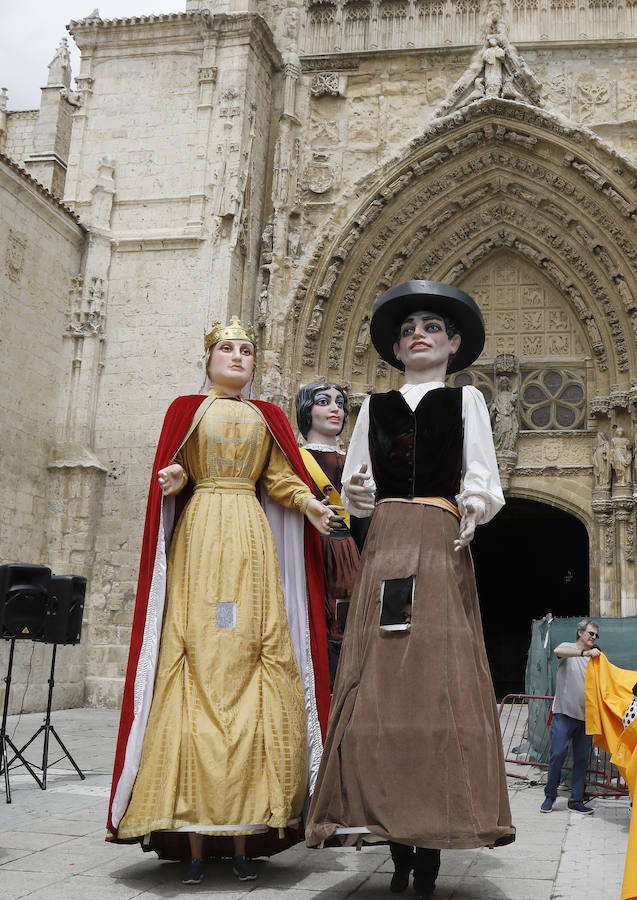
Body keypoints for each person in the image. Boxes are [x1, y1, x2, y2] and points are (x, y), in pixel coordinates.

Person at [106, 317, 334, 886]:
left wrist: (309, 506)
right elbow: (176, 468)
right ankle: (190, 830)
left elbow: (280, 478)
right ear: (207, 359)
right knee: (192, 652)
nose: (238, 357)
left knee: (258, 652)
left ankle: (246, 830)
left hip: (251, 534)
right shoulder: (189, 410)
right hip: (202, 528)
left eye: (247, 351)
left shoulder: (267, 418)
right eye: (227, 349)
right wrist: (176, 476)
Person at [305, 281, 515, 900]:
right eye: (406, 329)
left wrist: (474, 507)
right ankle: (393, 838)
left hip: (438, 536)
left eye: (430, 326)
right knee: (382, 684)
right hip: (388, 539)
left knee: (434, 682)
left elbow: (483, 475)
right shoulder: (375, 404)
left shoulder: (466, 402)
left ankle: (430, 850)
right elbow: (357, 488)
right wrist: (356, 497)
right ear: (397, 348)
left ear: (453, 343)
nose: (416, 333)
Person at [295, 381, 368, 688]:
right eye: (324, 402)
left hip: (348, 550)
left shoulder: (353, 459)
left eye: (340, 402)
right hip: (312, 549)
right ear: (306, 410)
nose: (335, 408)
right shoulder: (297, 458)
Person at [541, 618, 601, 815]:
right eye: (591, 633)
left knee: (582, 760)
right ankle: (550, 796)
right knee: (557, 755)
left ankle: (575, 800)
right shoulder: (569, 648)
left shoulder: (596, 656)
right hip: (564, 714)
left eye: (596, 635)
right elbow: (557, 651)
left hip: (586, 718)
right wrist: (584, 653)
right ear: (580, 632)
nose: (594, 637)